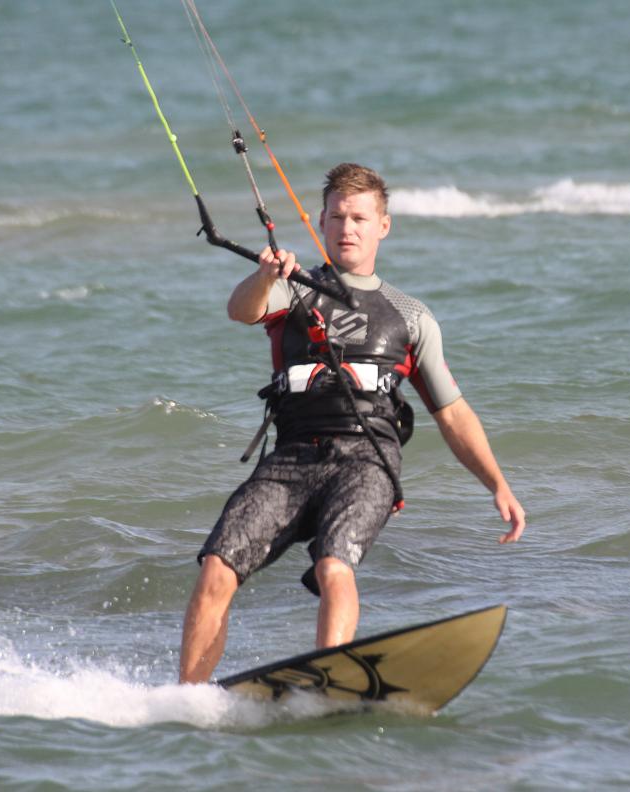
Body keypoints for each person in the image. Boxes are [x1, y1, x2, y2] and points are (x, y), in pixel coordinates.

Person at [179, 163, 525, 684]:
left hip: (367, 462)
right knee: (217, 568)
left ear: (383, 225)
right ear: (321, 221)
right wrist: (266, 275)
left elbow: (452, 411)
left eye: (360, 218)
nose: (348, 228)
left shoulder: (410, 316)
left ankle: (331, 680)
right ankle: (188, 697)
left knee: (334, 566)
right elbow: (241, 310)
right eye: (338, 217)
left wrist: (497, 483)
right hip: (292, 458)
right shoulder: (292, 289)